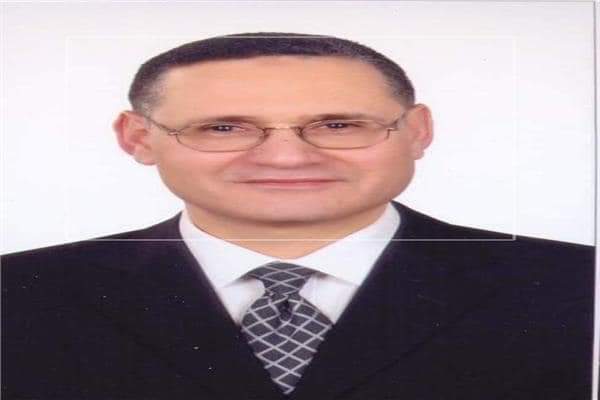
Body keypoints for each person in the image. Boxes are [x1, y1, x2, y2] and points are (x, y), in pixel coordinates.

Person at [1, 32, 595, 400]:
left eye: (338, 124)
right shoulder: (17, 294)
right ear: (137, 138)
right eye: (224, 127)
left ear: (418, 132)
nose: (286, 157)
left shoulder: (575, 285)